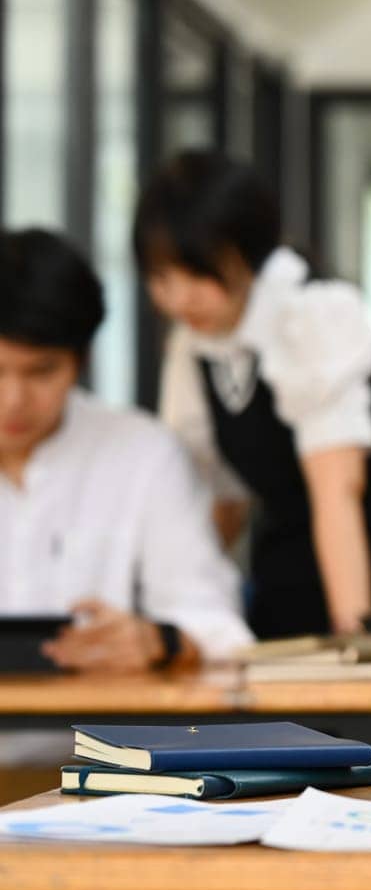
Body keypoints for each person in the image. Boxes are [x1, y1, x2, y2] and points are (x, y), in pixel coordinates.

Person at [134, 151, 371, 773]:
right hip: (282, 591)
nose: (178, 298)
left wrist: (361, 643)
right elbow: (219, 502)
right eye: (161, 278)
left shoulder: (314, 315)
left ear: (246, 256)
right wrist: (189, 614)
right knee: (275, 783)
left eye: (198, 274)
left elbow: (338, 493)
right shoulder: (195, 346)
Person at [0, 227, 254, 674]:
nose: (13, 399)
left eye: (41, 372)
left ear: (81, 361)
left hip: (96, 743)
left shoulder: (142, 454)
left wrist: (164, 640)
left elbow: (219, 625)